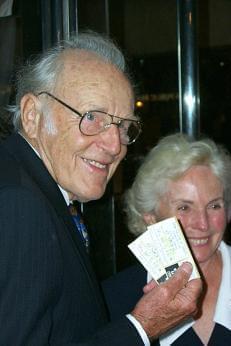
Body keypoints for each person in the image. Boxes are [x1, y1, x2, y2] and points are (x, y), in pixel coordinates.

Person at [0, 32, 202, 345]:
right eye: (91, 117)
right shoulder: (20, 205)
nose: (114, 145)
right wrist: (141, 328)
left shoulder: (32, 189)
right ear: (32, 115)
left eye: (123, 126)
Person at [122, 133, 231, 345]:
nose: (202, 224)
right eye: (184, 207)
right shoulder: (115, 299)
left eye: (214, 205)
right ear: (151, 217)